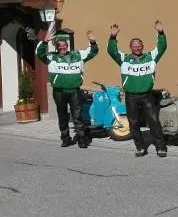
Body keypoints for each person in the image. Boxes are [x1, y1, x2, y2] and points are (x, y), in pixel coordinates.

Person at [107, 21, 168, 157]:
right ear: (130, 47)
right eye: (135, 46)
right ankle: (140, 147)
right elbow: (112, 51)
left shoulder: (150, 57)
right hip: (131, 96)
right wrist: (112, 37)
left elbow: (162, 47)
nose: (137, 47)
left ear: (142, 47)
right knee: (133, 123)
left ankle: (161, 147)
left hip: (147, 95)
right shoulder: (124, 59)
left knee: (154, 121)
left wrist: (161, 33)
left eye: (139, 45)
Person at [36, 23, 98, 148]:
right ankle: (65, 138)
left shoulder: (77, 55)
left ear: (67, 46)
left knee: (77, 115)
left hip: (74, 90)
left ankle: (81, 139)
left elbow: (92, 52)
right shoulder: (52, 57)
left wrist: (92, 42)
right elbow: (39, 53)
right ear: (57, 47)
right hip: (59, 91)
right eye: (60, 46)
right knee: (62, 115)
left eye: (65, 45)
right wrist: (45, 41)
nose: (63, 48)